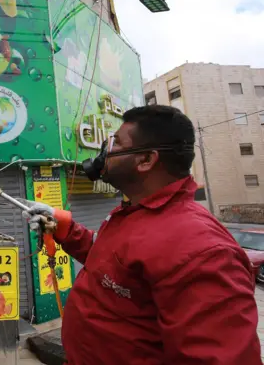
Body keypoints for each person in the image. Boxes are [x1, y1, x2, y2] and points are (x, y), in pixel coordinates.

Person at [20, 105, 262, 364]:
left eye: (116, 142)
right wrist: (63, 227)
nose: (105, 151)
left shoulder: (201, 250)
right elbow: (110, 261)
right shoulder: (132, 213)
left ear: (146, 160)